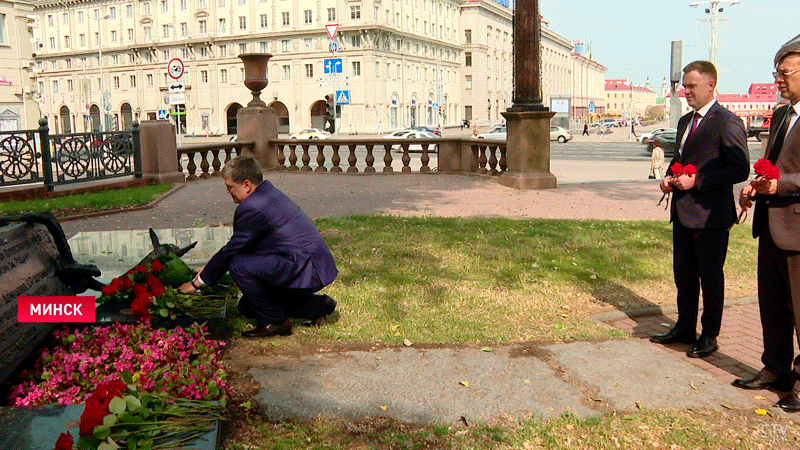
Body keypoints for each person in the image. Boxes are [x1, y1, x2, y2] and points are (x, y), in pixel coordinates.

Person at [650, 60, 750, 358]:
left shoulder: (727, 122)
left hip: (711, 216)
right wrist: (669, 176)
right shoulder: (684, 121)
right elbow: (679, 157)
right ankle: (684, 326)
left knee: (710, 277)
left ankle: (709, 334)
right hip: (682, 213)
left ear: (710, 85)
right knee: (683, 275)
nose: (686, 91)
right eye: (684, 85)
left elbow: (739, 168)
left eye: (692, 86)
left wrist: (699, 181)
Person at [178, 155, 339, 338]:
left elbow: (233, 250)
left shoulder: (253, 207)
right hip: (309, 263)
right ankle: (318, 306)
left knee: (238, 265)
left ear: (247, 185)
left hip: (305, 267)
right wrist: (210, 269)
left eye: (230, 186)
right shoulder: (266, 193)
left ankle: (276, 323)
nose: (228, 191)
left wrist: (196, 284)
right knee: (247, 306)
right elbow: (244, 246)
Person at [734, 35, 800, 412]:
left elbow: (790, 176)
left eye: (784, 72)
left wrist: (783, 185)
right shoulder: (780, 115)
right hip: (771, 226)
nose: (778, 78)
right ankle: (775, 368)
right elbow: (772, 166)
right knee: (772, 305)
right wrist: (755, 187)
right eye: (775, 72)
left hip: (797, 228)